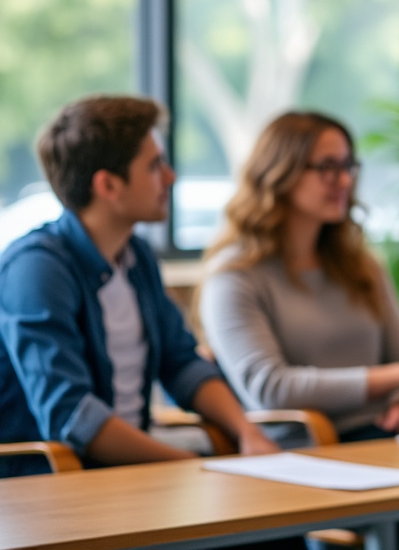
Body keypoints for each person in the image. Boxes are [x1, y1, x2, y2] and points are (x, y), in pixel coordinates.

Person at [199, 111, 399, 550]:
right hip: (306, 452)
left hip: (384, 437)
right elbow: (270, 388)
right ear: (279, 174)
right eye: (327, 167)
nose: (344, 180)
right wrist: (394, 380)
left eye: (348, 166)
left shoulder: (360, 266)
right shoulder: (235, 276)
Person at [0, 95, 278, 478]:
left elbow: (181, 362)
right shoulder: (36, 269)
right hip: (54, 481)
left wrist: (247, 433)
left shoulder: (136, 256)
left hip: (131, 471)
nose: (170, 177)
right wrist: (191, 469)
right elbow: (72, 415)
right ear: (108, 185)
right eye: (154, 165)